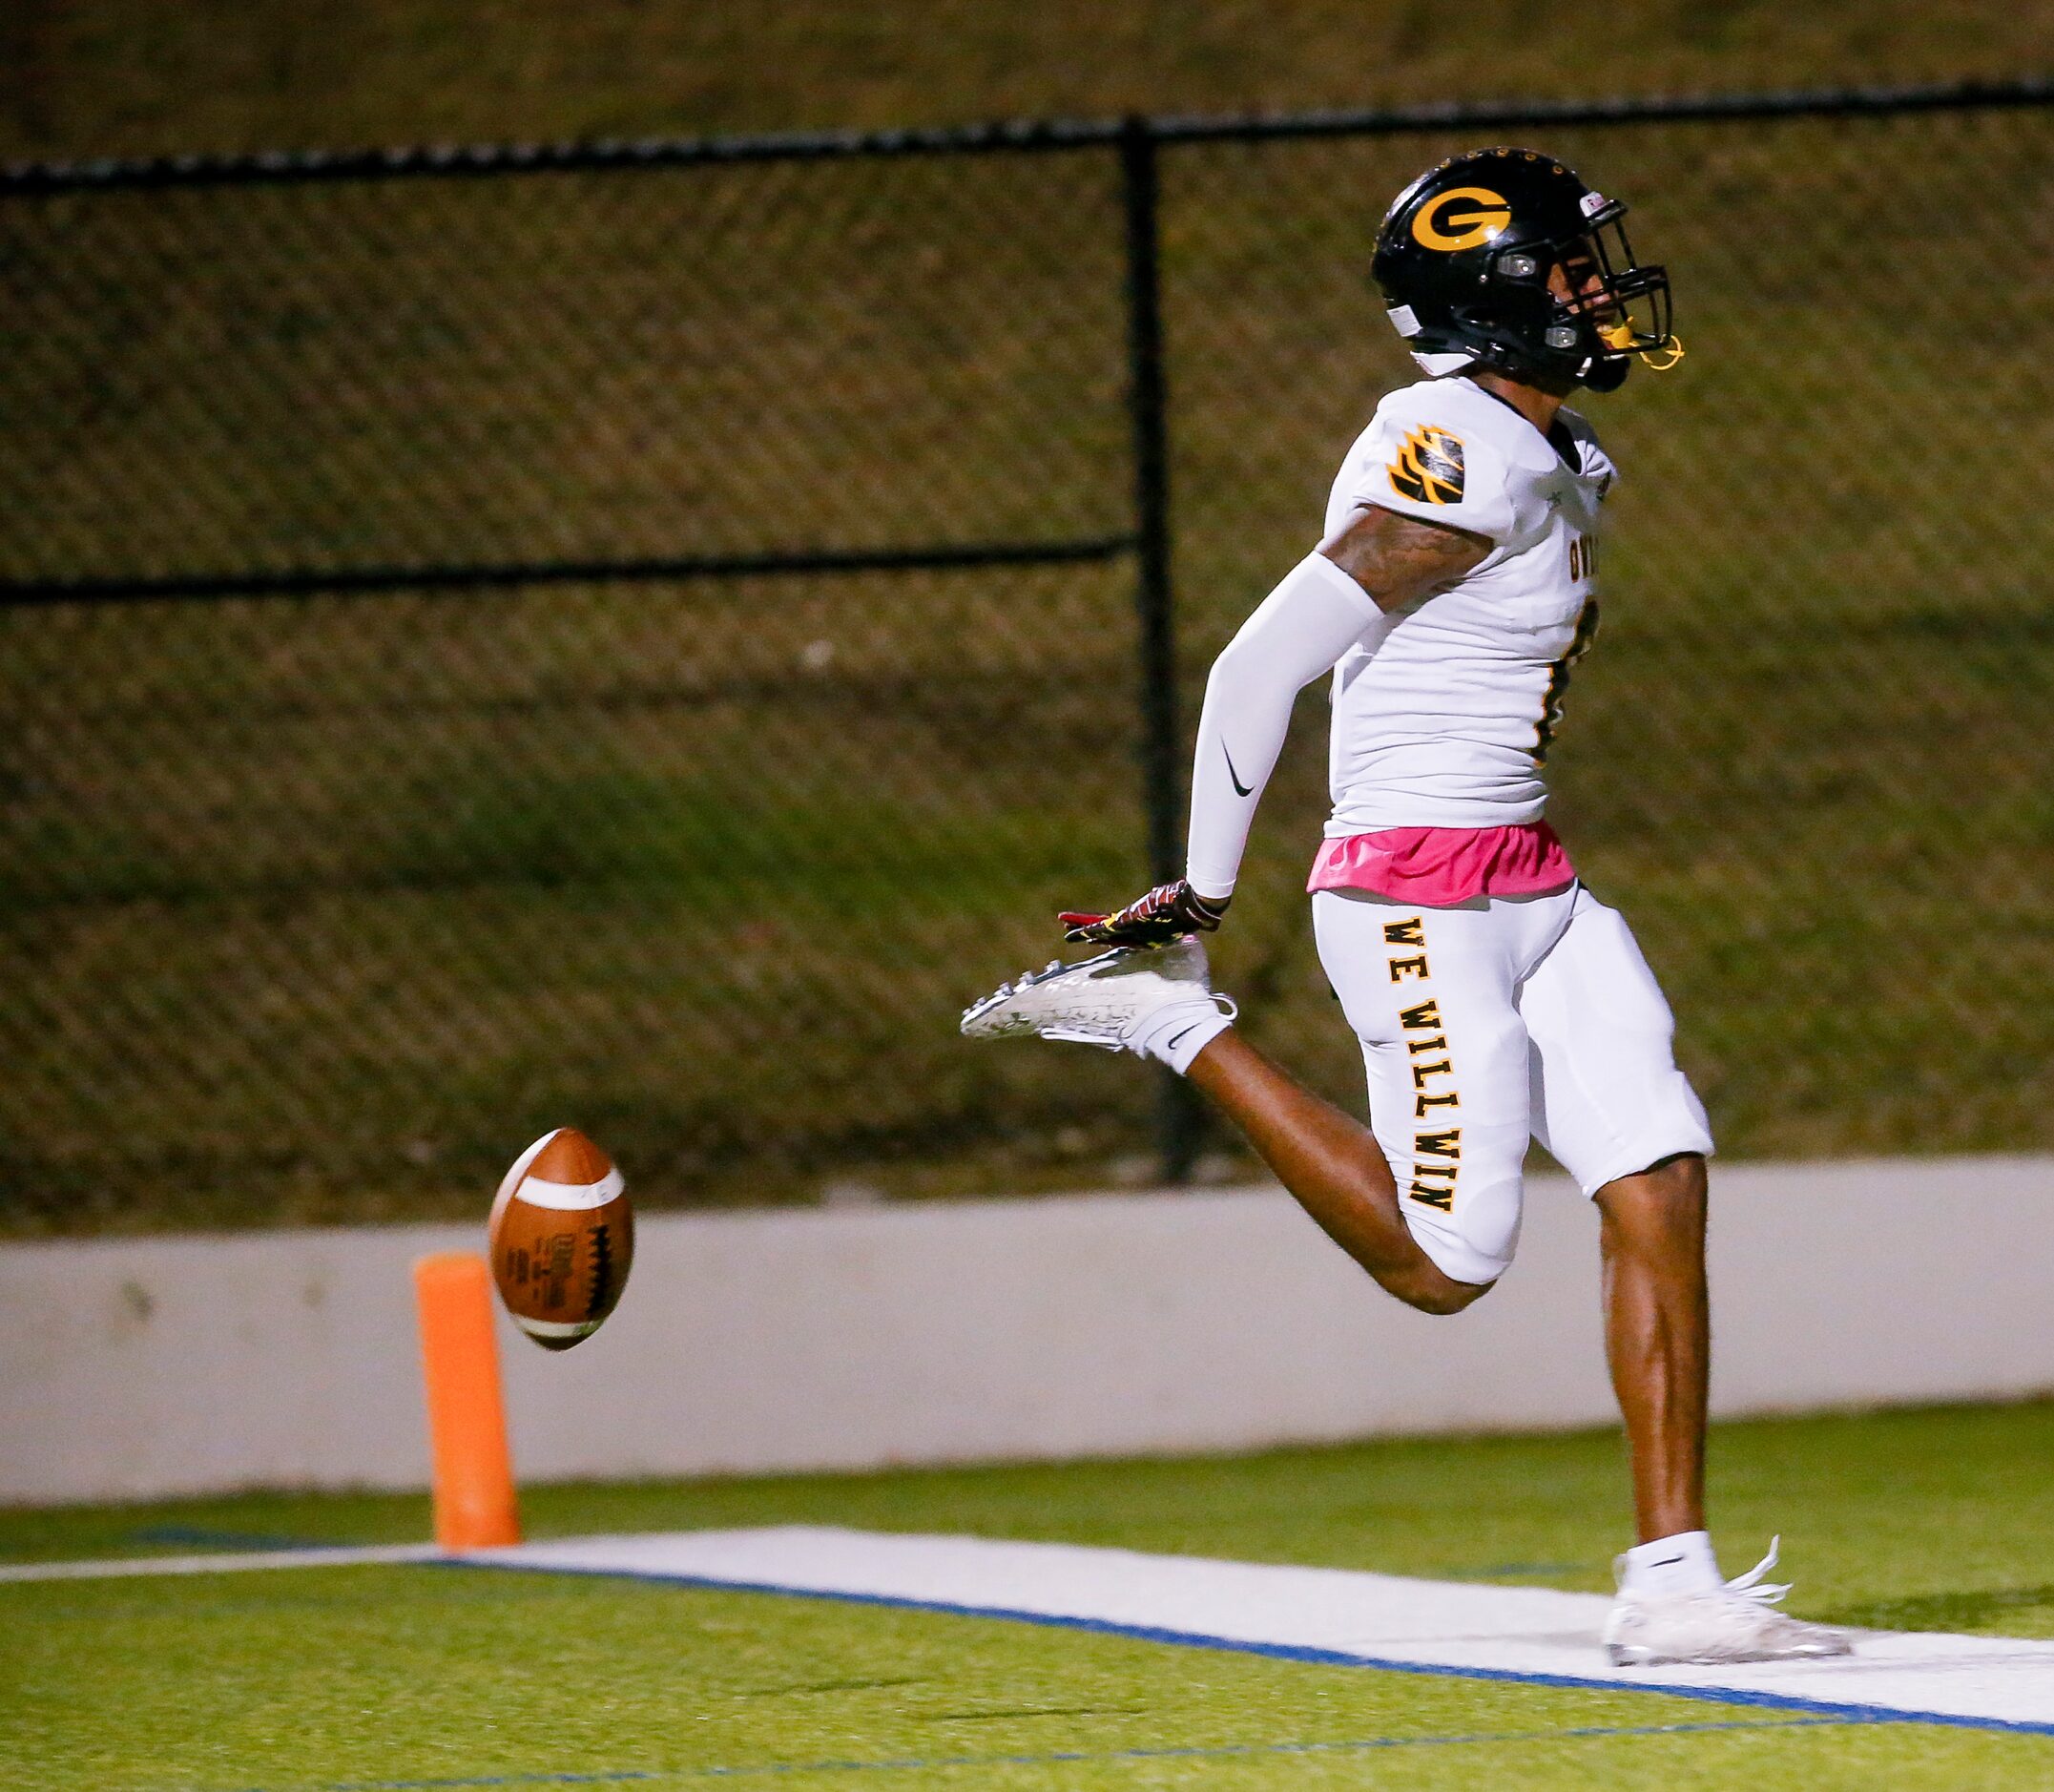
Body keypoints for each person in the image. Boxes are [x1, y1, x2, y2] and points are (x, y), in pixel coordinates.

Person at [962, 147, 1849, 1668]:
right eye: (1570, 267)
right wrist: (1197, 896)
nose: (1598, 289)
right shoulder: (1461, 456)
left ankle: (1671, 1578)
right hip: (1411, 894)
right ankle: (1169, 1025)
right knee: (1445, 1263)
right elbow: (1256, 666)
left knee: (1657, 1173)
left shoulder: (1549, 446)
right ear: (1499, 299)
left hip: (1534, 877)